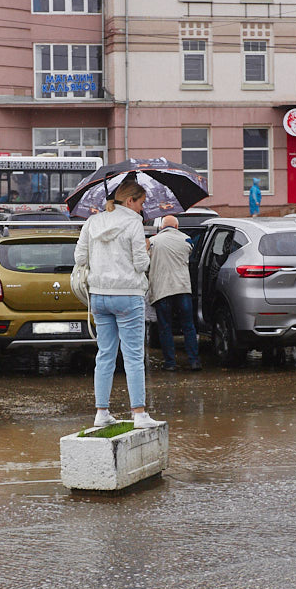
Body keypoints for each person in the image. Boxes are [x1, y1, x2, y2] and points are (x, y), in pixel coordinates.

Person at [74, 174, 160, 429]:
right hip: (127, 296)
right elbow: (140, 264)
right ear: (131, 201)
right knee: (133, 357)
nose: (143, 208)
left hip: (99, 296)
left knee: (105, 355)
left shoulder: (93, 221)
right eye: (142, 203)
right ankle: (139, 414)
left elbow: (79, 257)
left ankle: (102, 412)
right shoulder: (134, 224)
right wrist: (146, 250)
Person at [149, 215, 201, 372]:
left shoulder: (153, 241)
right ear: (177, 227)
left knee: (165, 327)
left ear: (162, 227)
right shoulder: (186, 240)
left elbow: (146, 261)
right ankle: (194, 361)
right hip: (182, 288)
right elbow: (189, 255)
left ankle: (170, 363)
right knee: (188, 326)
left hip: (162, 290)